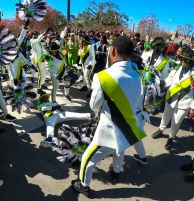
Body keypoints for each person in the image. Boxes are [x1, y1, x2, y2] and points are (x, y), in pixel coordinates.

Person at [72, 36, 146, 197]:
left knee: (88, 158)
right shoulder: (138, 77)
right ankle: (116, 172)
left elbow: (94, 106)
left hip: (108, 128)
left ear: (112, 51)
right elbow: (139, 102)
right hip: (129, 127)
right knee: (119, 150)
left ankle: (84, 185)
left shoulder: (103, 76)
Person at [151, 49, 194, 150]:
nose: (183, 61)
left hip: (184, 101)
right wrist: (161, 84)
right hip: (171, 97)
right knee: (166, 116)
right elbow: (170, 79)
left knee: (176, 122)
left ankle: (171, 137)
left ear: (191, 61)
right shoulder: (177, 67)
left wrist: (193, 107)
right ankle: (161, 130)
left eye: (186, 60)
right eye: (182, 59)